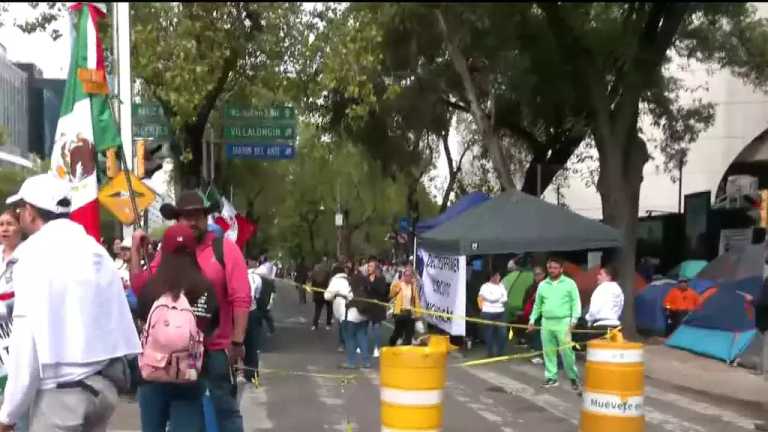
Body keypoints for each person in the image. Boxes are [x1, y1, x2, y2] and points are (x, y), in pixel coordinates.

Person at [0, 173, 141, 431]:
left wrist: (7, 415)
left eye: (21, 209)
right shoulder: (94, 250)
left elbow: (26, 344)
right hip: (103, 387)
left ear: (31, 212)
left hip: (61, 396)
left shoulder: (32, 255)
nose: (19, 215)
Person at [130, 190, 251, 432]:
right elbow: (143, 287)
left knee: (224, 414)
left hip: (215, 351)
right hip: (170, 354)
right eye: (187, 216)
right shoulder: (169, 251)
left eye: (199, 215)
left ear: (207, 218)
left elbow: (241, 298)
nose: (193, 221)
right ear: (177, 220)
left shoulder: (224, 249)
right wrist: (136, 251)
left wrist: (237, 341)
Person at [136, 224, 220, 432]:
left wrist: (137, 252)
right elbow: (211, 327)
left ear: (163, 250)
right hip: (189, 376)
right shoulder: (205, 287)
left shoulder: (152, 286)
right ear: (193, 251)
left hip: (152, 375)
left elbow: (141, 320)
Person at [527, 257, 582, 392]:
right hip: (546, 322)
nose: (552, 270)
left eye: (555, 268)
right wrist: (532, 320)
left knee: (567, 351)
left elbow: (576, 303)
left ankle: (573, 377)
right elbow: (537, 305)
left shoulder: (570, 284)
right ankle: (551, 377)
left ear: (561, 269)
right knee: (548, 351)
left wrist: (574, 320)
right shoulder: (542, 285)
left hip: (563, 322)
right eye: (550, 268)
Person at [324, 265, 371, 369]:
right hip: (362, 312)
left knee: (349, 338)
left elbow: (327, 296)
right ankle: (366, 361)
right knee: (362, 336)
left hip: (348, 314)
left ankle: (351, 362)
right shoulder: (350, 279)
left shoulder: (335, 281)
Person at [478, 271, 508, 358]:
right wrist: (499, 297)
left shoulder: (502, 286)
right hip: (488, 312)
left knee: (502, 333)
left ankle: (500, 352)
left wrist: (497, 298)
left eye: (499, 275)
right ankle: (490, 352)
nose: (499, 277)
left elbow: (505, 298)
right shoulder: (485, 287)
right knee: (489, 333)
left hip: (501, 312)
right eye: (497, 275)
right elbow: (490, 298)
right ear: (492, 277)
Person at [585, 265, 624, 330]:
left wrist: (588, 319)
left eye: (600, 274)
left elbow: (594, 309)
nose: (598, 277)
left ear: (608, 277)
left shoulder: (602, 288)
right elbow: (620, 306)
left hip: (601, 325)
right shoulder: (619, 290)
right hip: (616, 325)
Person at [389, 265, 420, 346]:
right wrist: (399, 284)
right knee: (397, 333)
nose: (407, 277)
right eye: (406, 275)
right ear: (403, 275)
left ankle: (406, 351)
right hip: (399, 313)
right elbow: (391, 294)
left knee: (409, 335)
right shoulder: (399, 284)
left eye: (409, 276)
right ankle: (392, 343)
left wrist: (417, 314)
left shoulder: (413, 287)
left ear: (412, 277)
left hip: (409, 313)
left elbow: (416, 301)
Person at [522, 266, 547, 364]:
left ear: (544, 274)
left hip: (546, 314)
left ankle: (542, 354)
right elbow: (525, 300)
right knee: (536, 334)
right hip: (534, 314)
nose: (536, 276)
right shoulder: (531, 287)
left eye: (539, 274)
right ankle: (536, 353)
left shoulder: (548, 285)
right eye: (535, 274)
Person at [365, 256, 389, 358]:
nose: (368, 268)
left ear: (375, 268)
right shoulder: (365, 278)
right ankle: (362, 346)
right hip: (367, 307)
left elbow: (382, 291)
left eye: (371, 266)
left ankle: (377, 348)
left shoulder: (381, 279)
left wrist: (372, 283)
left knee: (376, 328)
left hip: (378, 308)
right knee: (364, 327)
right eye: (368, 266)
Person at [310, 260, 333, 331]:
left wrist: (313, 291)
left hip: (318, 293)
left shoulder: (315, 273)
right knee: (329, 309)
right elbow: (330, 282)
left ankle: (314, 325)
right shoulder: (328, 272)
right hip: (327, 292)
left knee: (317, 310)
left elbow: (312, 283)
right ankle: (328, 324)